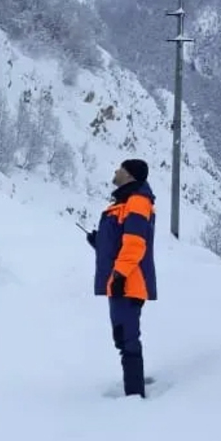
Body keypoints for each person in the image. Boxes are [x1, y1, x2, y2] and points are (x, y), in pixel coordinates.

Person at [86, 158, 157, 397]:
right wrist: (99, 242)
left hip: (127, 282)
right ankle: (134, 389)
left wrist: (119, 276)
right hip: (123, 280)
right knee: (124, 336)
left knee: (126, 337)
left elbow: (135, 244)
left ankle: (134, 396)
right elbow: (120, 243)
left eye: (120, 168)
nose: (115, 171)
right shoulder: (125, 202)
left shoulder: (137, 202)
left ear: (129, 175)